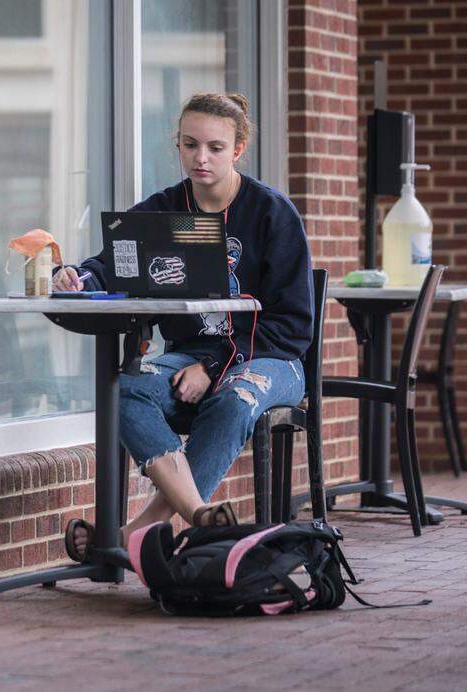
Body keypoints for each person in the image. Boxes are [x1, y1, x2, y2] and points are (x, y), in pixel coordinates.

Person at [54, 93, 314, 557]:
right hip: (189, 358)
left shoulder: (273, 214)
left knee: (233, 398)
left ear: (238, 149)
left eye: (215, 147)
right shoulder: (164, 212)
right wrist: (79, 277)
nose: (201, 157)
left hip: (271, 360)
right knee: (124, 389)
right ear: (178, 145)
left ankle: (137, 529)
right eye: (190, 144)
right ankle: (197, 516)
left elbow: (293, 325)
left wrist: (214, 366)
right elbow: (111, 263)